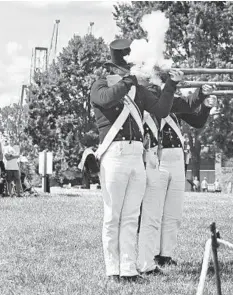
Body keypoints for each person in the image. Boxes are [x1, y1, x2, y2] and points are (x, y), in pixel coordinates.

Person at [88, 38, 182, 283]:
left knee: (131, 216)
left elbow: (161, 110)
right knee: (112, 217)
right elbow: (106, 98)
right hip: (115, 154)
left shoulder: (137, 90)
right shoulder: (101, 84)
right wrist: (129, 80)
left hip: (137, 155)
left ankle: (128, 269)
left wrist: (171, 84)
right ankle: (112, 269)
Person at [137, 79, 214, 275]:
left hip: (178, 157)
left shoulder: (173, 104)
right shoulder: (149, 106)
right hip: (158, 157)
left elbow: (196, 120)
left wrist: (205, 106)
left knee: (173, 211)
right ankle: (151, 254)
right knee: (155, 211)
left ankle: (166, 254)